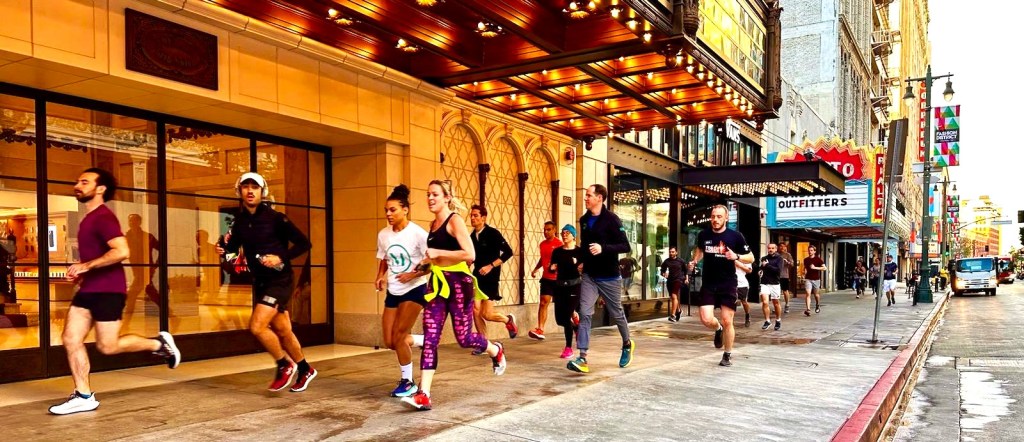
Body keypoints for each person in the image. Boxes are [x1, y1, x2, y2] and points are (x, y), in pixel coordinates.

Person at [49, 168, 181, 415]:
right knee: (71, 338)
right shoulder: (88, 219)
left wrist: (85, 265)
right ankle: (84, 395)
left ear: (100, 189)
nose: (78, 184)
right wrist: (81, 273)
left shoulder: (103, 217)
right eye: (78, 180)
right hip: (89, 289)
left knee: (108, 347)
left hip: (108, 291)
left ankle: (158, 344)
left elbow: (121, 251)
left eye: (84, 181)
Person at [402, 180, 507, 411]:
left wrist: (438, 252)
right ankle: (424, 394)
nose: (430, 198)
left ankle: (495, 349)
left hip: (459, 285)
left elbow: (469, 254)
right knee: (430, 337)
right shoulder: (432, 224)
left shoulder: (455, 220)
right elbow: (437, 261)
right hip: (437, 286)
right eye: (428, 194)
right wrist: (417, 271)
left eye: (435, 194)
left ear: (447, 197)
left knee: (464, 338)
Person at [216, 172, 315, 392]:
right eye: (245, 187)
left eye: (255, 187)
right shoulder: (240, 222)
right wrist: (223, 248)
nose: (250, 191)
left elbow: (304, 243)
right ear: (239, 191)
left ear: (263, 191)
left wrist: (281, 257)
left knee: (257, 326)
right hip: (260, 281)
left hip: (280, 280)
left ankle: (283, 364)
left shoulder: (276, 218)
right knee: (283, 330)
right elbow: (233, 249)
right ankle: (305, 368)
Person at [567, 184, 635, 374]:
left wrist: (603, 248)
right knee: (585, 312)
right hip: (589, 275)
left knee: (617, 313)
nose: (586, 198)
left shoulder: (612, 219)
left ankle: (627, 344)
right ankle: (582, 357)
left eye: (589, 195)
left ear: (599, 198)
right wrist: (579, 260)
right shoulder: (584, 219)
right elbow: (584, 246)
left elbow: (625, 246)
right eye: (586, 195)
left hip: (609, 276)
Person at [375, 184, 430, 398]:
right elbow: (384, 258)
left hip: (414, 289)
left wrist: (413, 275)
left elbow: (431, 262)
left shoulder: (417, 234)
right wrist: (380, 276)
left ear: (405, 209)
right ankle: (423, 341)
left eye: (393, 210)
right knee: (389, 341)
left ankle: (408, 382)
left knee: (399, 336)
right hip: (393, 290)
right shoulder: (384, 235)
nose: (388, 214)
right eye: (386, 210)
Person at [690, 204, 754, 367]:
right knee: (705, 319)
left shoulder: (735, 236)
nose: (715, 220)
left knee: (727, 320)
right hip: (709, 282)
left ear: (726, 218)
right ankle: (717, 329)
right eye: (713, 216)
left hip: (728, 283)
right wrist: (695, 260)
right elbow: (699, 250)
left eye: (719, 217)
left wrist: (736, 256)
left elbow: (751, 258)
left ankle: (727, 354)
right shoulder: (704, 234)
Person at [468, 205, 518, 341]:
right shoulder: (471, 236)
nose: (472, 218)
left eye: (475, 215)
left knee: (487, 314)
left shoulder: (493, 233)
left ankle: (507, 320)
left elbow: (508, 252)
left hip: (491, 277)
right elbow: (471, 256)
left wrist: (490, 266)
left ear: (483, 218)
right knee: (475, 309)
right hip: (477, 277)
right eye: (471, 215)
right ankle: (483, 342)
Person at [548, 224, 583, 359]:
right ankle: (576, 328)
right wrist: (552, 267)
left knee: (567, 315)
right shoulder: (557, 252)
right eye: (563, 232)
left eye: (567, 232)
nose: (564, 234)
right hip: (560, 286)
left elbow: (584, 269)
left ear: (574, 235)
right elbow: (552, 268)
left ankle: (568, 347)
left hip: (574, 286)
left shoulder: (579, 252)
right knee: (560, 319)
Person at [528, 221, 562, 340]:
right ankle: (540, 329)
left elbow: (564, 260)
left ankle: (574, 316)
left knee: (563, 305)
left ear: (554, 230)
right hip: (546, 278)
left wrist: (557, 266)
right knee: (543, 302)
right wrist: (536, 269)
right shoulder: (542, 244)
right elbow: (543, 259)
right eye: (544, 229)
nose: (546, 232)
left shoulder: (559, 244)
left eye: (548, 229)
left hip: (558, 279)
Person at [759, 243, 783, 331]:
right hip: (764, 283)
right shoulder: (764, 258)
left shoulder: (779, 259)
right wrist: (760, 270)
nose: (770, 250)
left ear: (776, 249)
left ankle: (778, 320)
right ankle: (767, 320)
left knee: (776, 303)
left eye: (772, 248)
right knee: (765, 302)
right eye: (769, 248)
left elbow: (778, 270)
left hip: (775, 283)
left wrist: (767, 265)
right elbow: (761, 268)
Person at [660, 247, 687, 322]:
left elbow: (685, 270)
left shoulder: (680, 261)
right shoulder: (667, 261)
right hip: (670, 280)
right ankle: (679, 311)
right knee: (672, 297)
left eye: (673, 252)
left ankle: (673, 315)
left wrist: (686, 279)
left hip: (678, 280)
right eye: (670, 252)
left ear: (676, 252)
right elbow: (662, 270)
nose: (671, 253)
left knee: (674, 295)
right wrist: (664, 274)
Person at [802, 245, 826, 315]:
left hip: (816, 279)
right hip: (808, 279)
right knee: (808, 293)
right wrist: (804, 274)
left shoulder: (818, 259)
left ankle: (817, 304)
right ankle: (808, 309)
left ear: (814, 251)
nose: (810, 252)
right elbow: (805, 268)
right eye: (809, 250)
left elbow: (824, 268)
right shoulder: (806, 259)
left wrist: (815, 268)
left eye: (811, 250)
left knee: (816, 295)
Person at [735, 260, 753, 328]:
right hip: (731, 283)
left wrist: (740, 265)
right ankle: (729, 320)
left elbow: (749, 270)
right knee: (730, 302)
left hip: (742, 284)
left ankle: (747, 316)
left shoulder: (745, 258)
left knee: (744, 301)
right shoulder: (729, 255)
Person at [778, 243, 794, 314]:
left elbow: (792, 264)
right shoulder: (776, 254)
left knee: (785, 291)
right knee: (777, 292)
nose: (782, 247)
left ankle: (787, 305)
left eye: (783, 246)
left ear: (785, 247)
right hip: (776, 275)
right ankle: (777, 306)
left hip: (784, 275)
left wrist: (787, 262)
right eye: (780, 246)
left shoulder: (788, 255)